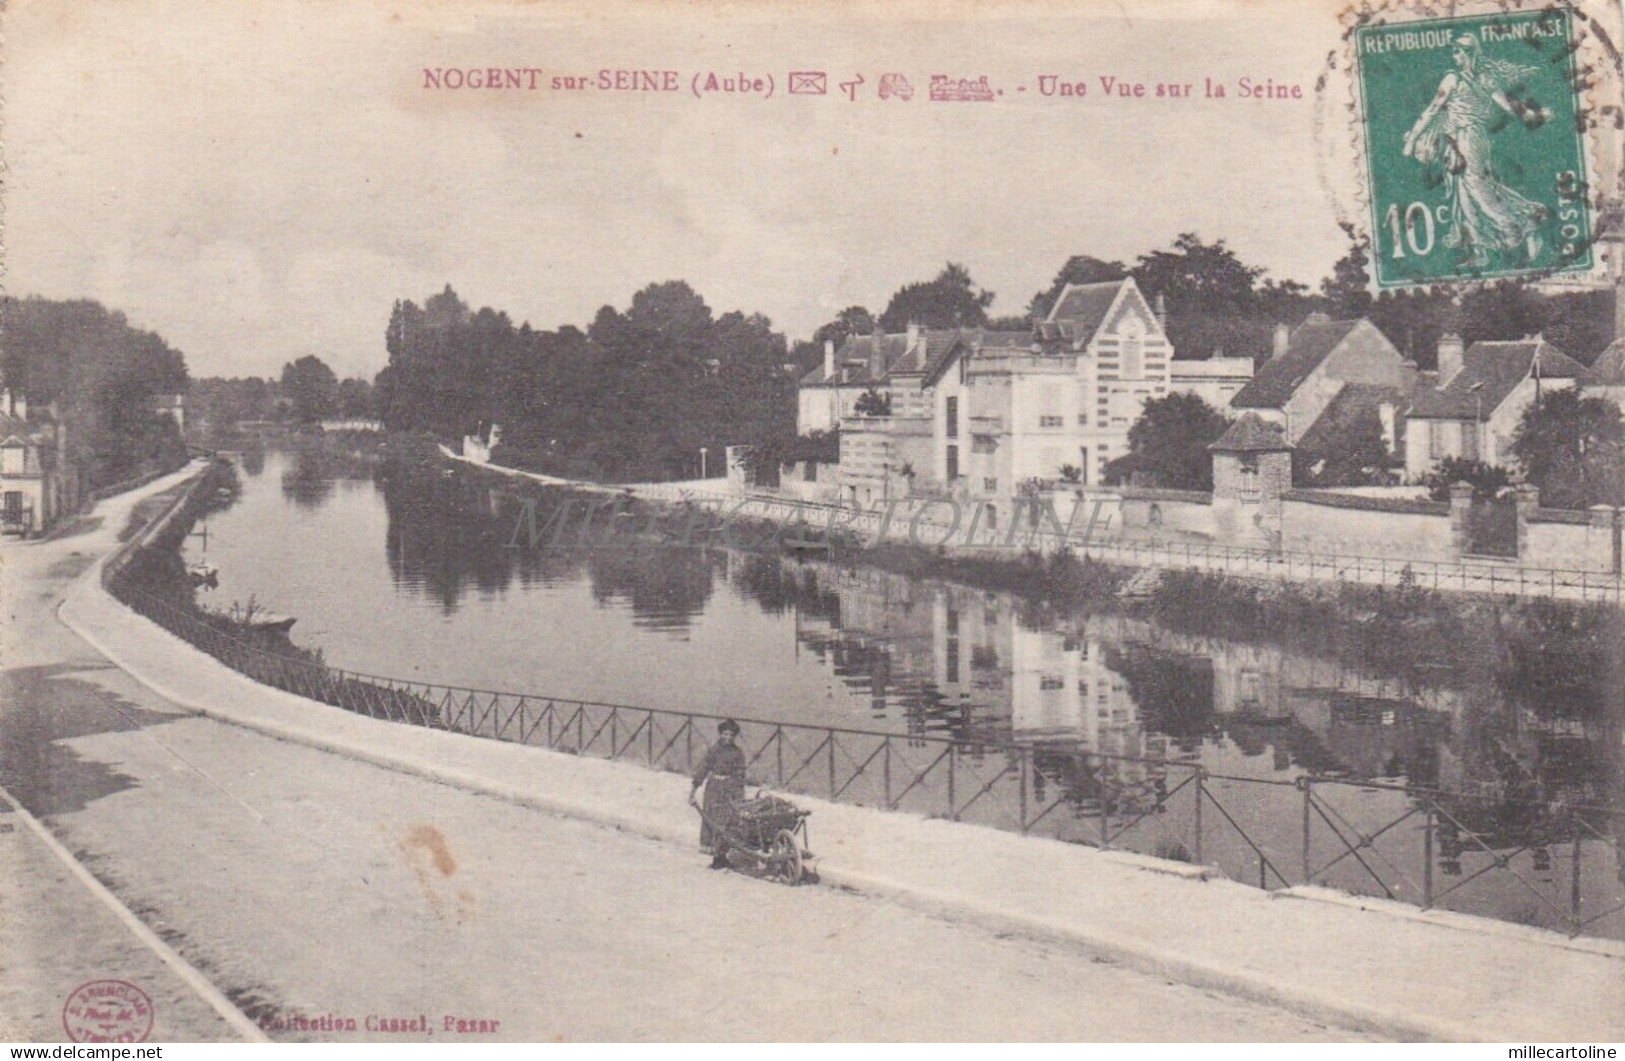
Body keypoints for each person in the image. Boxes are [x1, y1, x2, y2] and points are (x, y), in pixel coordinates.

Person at [1402, 35, 1548, 266]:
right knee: (1464, 196)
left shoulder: (1473, 79)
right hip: (1454, 143)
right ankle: (1478, 251)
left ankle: (1522, 225)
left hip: (1470, 139)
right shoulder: (1458, 78)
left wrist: (1532, 115)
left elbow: (1507, 105)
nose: (1455, 56)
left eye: (1459, 52)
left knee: (1479, 190)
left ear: (1471, 53)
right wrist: (1414, 138)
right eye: (1454, 52)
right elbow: (1432, 110)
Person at [690, 719, 747, 869]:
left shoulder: (738, 753)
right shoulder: (714, 750)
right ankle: (716, 858)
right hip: (713, 789)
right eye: (725, 734)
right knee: (712, 820)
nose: (728, 737)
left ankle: (723, 855)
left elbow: (740, 774)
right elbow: (704, 767)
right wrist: (694, 789)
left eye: (731, 735)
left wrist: (740, 796)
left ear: (735, 736)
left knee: (727, 822)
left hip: (729, 789)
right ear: (721, 734)